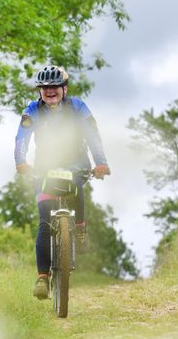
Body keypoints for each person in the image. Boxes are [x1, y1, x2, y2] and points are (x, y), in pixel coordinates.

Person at [14, 65, 110, 299]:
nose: (49, 91)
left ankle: (79, 229)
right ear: (40, 91)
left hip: (76, 163)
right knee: (45, 219)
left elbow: (92, 136)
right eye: (45, 87)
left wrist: (100, 162)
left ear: (64, 88)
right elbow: (22, 138)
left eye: (54, 86)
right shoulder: (33, 110)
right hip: (44, 167)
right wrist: (21, 162)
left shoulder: (78, 107)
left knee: (75, 186)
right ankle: (42, 278)